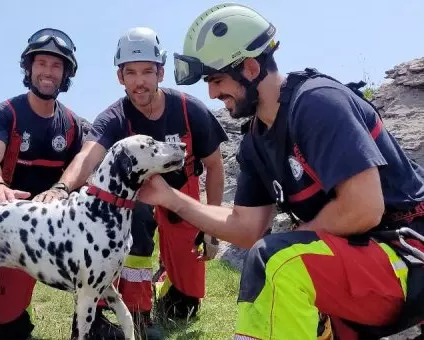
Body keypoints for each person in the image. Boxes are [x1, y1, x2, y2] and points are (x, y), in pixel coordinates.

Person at [134, 3, 424, 339]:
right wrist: (169, 198)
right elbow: (246, 229)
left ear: (251, 67)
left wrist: (290, 243)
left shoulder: (317, 103)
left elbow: (364, 207)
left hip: (407, 252)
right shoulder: (255, 141)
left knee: (278, 261)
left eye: (216, 79)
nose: (212, 93)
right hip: (357, 261)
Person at [33, 26, 229, 338]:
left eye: (148, 72)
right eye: (131, 72)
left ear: (161, 73)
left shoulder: (190, 110)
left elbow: (215, 167)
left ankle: (169, 285)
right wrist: (61, 188)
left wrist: (212, 228)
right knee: (133, 217)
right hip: (138, 196)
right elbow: (87, 156)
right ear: (120, 77)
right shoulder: (113, 117)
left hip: (182, 194)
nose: (140, 81)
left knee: (186, 306)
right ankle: (135, 309)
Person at [0, 28, 116, 340]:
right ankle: (9, 318)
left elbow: (83, 168)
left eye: (56, 66)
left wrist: (63, 192)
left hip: (56, 222)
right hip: (10, 221)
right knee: (8, 322)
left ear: (66, 74)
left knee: (105, 234)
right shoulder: (4, 113)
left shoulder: (74, 125)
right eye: (41, 64)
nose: (48, 72)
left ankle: (95, 318)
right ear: (29, 68)